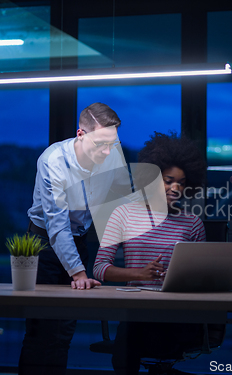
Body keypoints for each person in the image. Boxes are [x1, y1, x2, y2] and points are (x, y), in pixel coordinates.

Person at [19, 102, 133, 375]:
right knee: (40, 331)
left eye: (112, 144)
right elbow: (57, 226)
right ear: (80, 134)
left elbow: (120, 205)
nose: (107, 152)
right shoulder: (53, 160)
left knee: (64, 332)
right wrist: (79, 273)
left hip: (79, 241)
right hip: (42, 244)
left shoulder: (111, 153)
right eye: (101, 144)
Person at [93, 131, 207, 375]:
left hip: (177, 312)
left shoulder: (192, 223)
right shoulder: (123, 215)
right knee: (133, 333)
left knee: (139, 339)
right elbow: (100, 268)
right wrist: (139, 274)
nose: (175, 187)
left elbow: (203, 276)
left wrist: (184, 279)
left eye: (181, 182)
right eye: (168, 180)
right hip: (137, 310)